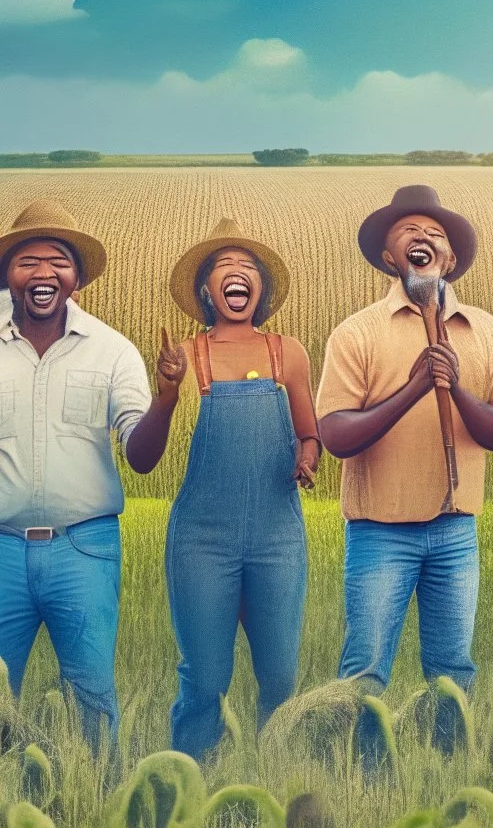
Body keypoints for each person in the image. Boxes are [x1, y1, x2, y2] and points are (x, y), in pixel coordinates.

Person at [316, 185, 493, 754]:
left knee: (454, 671)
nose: (423, 238)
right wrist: (410, 391)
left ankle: (444, 775)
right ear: (388, 256)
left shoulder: (485, 331)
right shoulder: (356, 333)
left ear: (450, 259)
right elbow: (334, 437)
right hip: (380, 531)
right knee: (366, 672)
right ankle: (360, 781)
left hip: (456, 531)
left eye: (436, 234)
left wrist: (455, 390)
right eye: (408, 232)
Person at [128, 217, 320, 760]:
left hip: (277, 535)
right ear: (207, 293)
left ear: (259, 289)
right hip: (202, 538)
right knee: (205, 679)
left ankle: (275, 781)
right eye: (223, 269)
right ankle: (191, 782)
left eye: (247, 268)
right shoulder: (187, 356)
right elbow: (143, 458)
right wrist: (166, 393)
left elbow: (310, 435)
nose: (237, 275)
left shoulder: (289, 353)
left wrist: (307, 459)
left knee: (280, 678)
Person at [0, 200, 153, 750]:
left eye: (58, 261)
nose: (43, 272)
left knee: (91, 700)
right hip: (1, 550)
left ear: (77, 277)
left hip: (84, 548)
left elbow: (138, 446)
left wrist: (171, 396)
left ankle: (95, 801)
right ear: (6, 275)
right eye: (27, 261)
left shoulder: (114, 351)